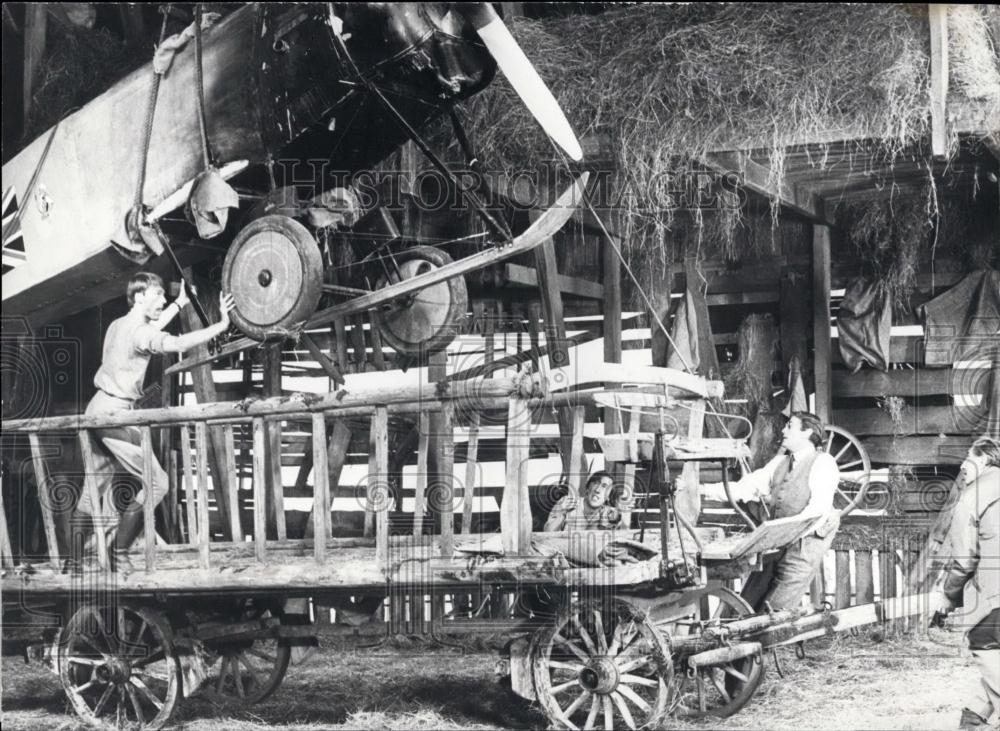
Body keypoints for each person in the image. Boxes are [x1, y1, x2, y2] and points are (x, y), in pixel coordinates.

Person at [76, 272, 234, 572]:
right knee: (158, 482)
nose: (162, 300)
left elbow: (150, 332)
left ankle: (73, 561)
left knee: (92, 491)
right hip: (114, 413)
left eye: (164, 295)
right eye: (157, 295)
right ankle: (118, 552)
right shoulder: (139, 333)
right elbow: (175, 343)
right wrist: (221, 325)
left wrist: (180, 303)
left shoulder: (118, 325)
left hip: (95, 410)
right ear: (138, 297)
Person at [699, 411, 840, 611]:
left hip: (805, 546)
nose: (783, 430)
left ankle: (765, 638)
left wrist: (784, 533)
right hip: (777, 542)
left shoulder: (824, 463)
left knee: (775, 610)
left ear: (807, 432)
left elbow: (817, 511)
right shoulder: (780, 462)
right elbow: (746, 487)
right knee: (746, 602)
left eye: (790, 425)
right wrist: (703, 490)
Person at [932, 437, 1000, 730]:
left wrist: (947, 598)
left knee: (984, 643)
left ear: (984, 459)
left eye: (968, 458)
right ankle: (973, 716)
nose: (962, 464)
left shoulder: (972, 496)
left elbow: (964, 559)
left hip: (995, 594)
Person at [543, 471, 631, 532]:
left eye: (604, 486)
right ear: (588, 488)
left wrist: (622, 513)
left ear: (608, 496)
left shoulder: (609, 513)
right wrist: (562, 514)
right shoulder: (567, 502)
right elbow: (547, 534)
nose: (597, 490)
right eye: (595, 483)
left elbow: (622, 538)